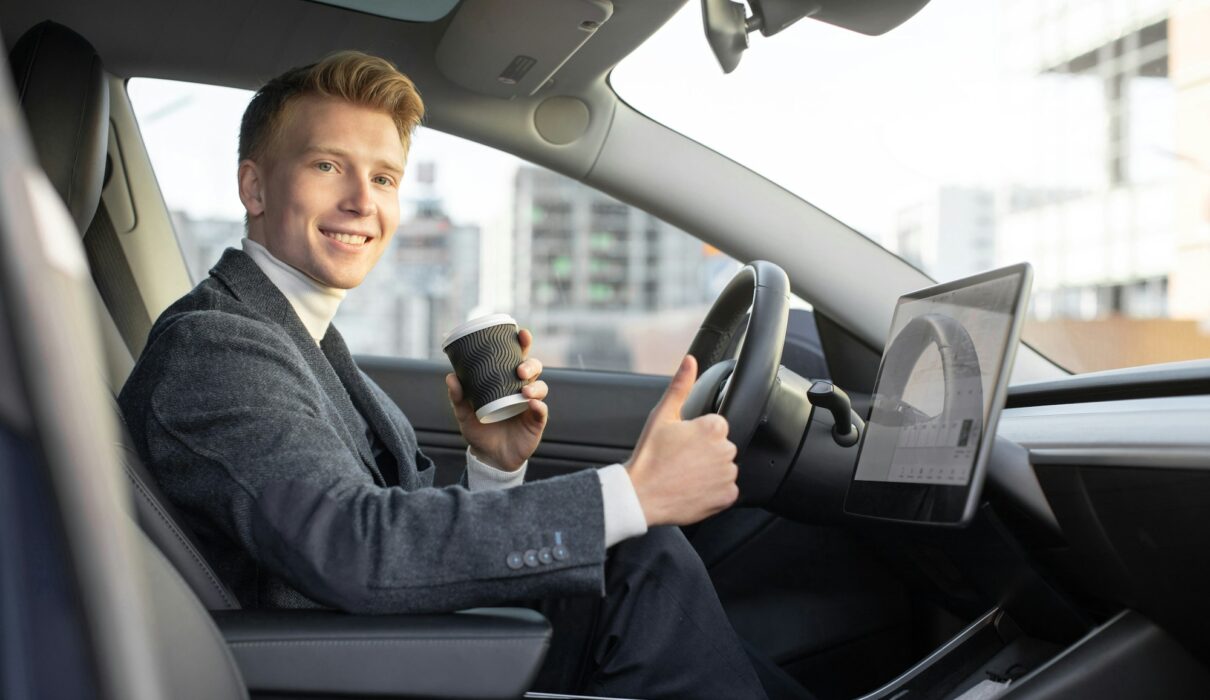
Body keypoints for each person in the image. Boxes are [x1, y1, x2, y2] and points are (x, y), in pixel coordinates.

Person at [119, 50, 769, 698]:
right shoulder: (216, 347)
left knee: (636, 568)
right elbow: (355, 550)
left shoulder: (305, 341)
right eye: (327, 166)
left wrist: (493, 467)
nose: (360, 202)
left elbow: (397, 538)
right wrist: (634, 494)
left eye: (383, 179)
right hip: (332, 669)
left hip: (385, 641)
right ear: (254, 187)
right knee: (642, 559)